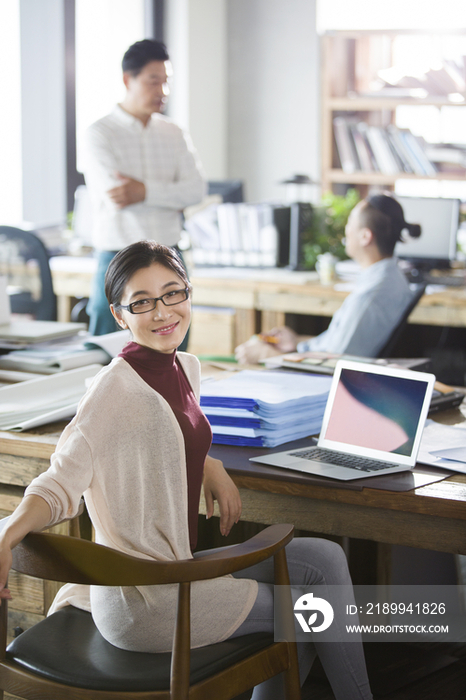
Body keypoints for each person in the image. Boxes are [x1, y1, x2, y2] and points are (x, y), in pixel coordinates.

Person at [0, 241, 372, 700]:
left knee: (324, 559)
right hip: (149, 601)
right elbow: (60, 481)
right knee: (314, 612)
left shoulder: (183, 368)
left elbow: (166, 430)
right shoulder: (113, 390)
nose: (162, 312)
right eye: (142, 302)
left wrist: (206, 460)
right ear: (120, 316)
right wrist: (8, 533)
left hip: (174, 570)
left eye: (173, 293)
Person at [81, 39, 206, 337]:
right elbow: (116, 195)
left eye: (166, 82)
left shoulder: (173, 133)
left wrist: (144, 191)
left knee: (174, 341)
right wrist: (168, 195)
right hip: (116, 253)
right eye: (153, 81)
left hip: (168, 254)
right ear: (128, 79)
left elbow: (196, 191)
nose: (162, 91)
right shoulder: (100, 133)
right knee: (107, 346)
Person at [235, 194, 421, 364]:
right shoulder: (388, 277)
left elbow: (334, 364)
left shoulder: (371, 296)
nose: (346, 230)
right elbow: (337, 342)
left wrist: (268, 355)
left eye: (350, 223)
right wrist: (297, 343)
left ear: (365, 236)